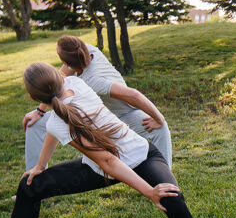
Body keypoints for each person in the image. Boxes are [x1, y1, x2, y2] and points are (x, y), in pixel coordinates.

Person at [0, 62, 223, 218]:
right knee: (29, 185)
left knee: (173, 200)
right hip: (100, 169)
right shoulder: (71, 88)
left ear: (32, 97)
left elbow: (107, 158)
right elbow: (104, 160)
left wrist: (151, 191)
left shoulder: (68, 96)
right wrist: (41, 165)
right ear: (58, 81)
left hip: (142, 156)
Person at [22, 36, 172, 170]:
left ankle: (165, 180)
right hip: (96, 116)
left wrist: (159, 119)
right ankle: (33, 180)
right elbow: (54, 83)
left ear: (66, 62)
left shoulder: (92, 80)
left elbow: (133, 95)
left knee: (161, 128)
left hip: (122, 116)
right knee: (35, 124)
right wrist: (39, 112)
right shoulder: (84, 49)